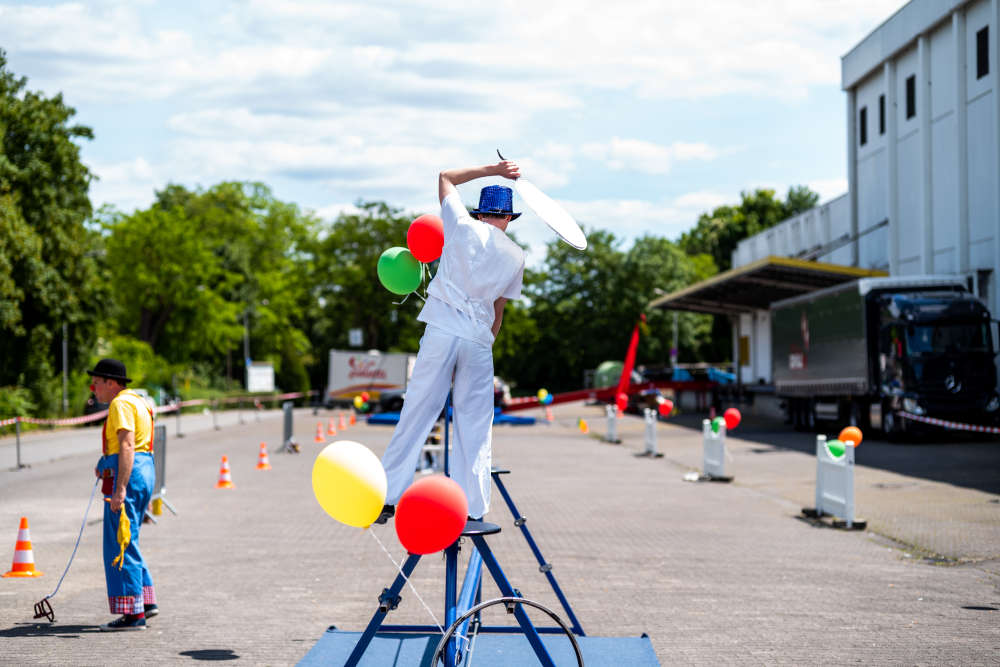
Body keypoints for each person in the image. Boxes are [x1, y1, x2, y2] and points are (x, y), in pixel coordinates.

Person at [376, 160, 525, 523]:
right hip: (477, 340)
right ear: (508, 218)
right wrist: (483, 344)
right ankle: (472, 508)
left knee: (418, 411)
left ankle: (387, 496)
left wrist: (495, 169)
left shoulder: (460, 224)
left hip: (442, 329)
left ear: (481, 212)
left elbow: (445, 177)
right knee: (474, 423)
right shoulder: (516, 256)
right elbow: (499, 310)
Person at [88, 358, 158, 631]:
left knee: (121, 544)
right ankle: (146, 601)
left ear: (111, 383)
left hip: (130, 473)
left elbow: (127, 445)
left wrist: (120, 489)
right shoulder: (139, 401)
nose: (93, 387)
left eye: (97, 381)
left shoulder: (119, 404)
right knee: (131, 539)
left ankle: (133, 613)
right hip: (144, 470)